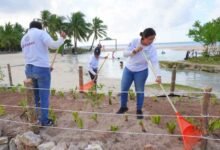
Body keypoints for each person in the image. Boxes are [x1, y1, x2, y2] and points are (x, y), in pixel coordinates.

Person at [21, 21, 66, 126]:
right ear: (40, 28)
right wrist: (62, 38)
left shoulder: (23, 38)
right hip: (41, 68)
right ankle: (44, 121)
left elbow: (31, 54)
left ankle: (37, 117)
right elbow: (53, 45)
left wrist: (45, 68)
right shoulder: (41, 33)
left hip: (28, 69)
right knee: (44, 96)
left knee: (36, 95)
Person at [116, 28, 161, 119]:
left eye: (153, 39)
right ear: (144, 37)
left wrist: (158, 75)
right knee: (124, 89)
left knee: (140, 91)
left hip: (142, 71)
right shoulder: (135, 41)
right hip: (129, 69)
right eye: (150, 39)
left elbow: (155, 62)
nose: (152, 41)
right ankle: (123, 107)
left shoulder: (152, 48)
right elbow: (124, 54)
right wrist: (135, 51)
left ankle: (139, 110)